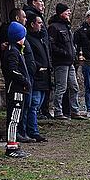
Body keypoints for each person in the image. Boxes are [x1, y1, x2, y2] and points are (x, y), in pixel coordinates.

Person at [48, 3, 85, 120]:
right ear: (61, 13)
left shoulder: (67, 26)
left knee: (74, 87)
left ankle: (74, 111)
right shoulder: (54, 27)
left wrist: (73, 54)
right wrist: (64, 53)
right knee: (61, 87)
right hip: (60, 62)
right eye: (67, 11)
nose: (69, 13)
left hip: (70, 62)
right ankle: (58, 111)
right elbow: (51, 45)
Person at [4, 22, 33, 158]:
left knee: (17, 117)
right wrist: (24, 81)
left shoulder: (16, 50)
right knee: (13, 119)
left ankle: (14, 143)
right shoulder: (13, 52)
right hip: (16, 90)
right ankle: (11, 147)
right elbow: (12, 71)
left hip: (20, 89)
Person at [23, 0, 53, 118]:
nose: (43, 5)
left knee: (38, 101)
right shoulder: (30, 17)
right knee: (34, 103)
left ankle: (40, 115)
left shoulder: (39, 36)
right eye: (40, 1)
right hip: (37, 71)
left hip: (44, 68)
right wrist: (38, 66)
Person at [25, 14, 51, 142]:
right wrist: (38, 67)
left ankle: (33, 130)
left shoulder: (41, 39)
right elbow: (30, 58)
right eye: (39, 23)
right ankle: (33, 131)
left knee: (37, 104)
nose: (41, 26)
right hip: (37, 76)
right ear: (32, 24)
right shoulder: (29, 39)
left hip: (44, 76)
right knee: (34, 105)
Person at [74, 9, 90, 117]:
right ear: (87, 18)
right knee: (88, 85)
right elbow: (76, 45)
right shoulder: (80, 31)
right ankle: (89, 108)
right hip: (87, 60)